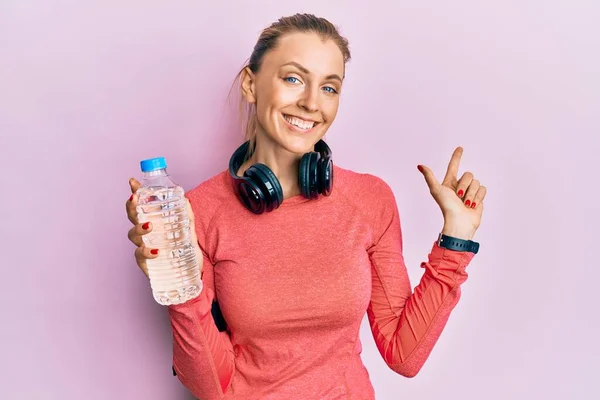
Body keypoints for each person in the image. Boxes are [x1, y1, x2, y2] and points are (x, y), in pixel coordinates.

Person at [125, 13, 487, 400]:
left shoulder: (369, 200)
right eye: (293, 78)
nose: (312, 103)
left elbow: (404, 355)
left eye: (329, 88)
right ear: (251, 84)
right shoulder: (200, 211)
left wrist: (456, 241)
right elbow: (211, 385)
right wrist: (182, 287)